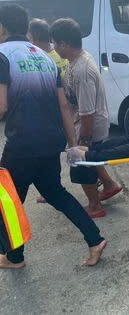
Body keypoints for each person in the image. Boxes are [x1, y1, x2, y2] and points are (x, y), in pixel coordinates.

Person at [0, 4, 106, 268]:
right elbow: (64, 107)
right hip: (50, 142)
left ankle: (15, 257)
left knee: (8, 201)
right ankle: (95, 240)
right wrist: (72, 145)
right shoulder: (44, 57)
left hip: (22, 145)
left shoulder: (2, 55)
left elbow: (1, 106)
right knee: (55, 193)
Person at [50, 18, 122, 218]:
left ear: (64, 44)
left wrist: (81, 141)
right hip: (84, 125)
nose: (54, 47)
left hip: (88, 127)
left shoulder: (82, 70)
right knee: (93, 159)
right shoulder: (75, 61)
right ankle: (109, 184)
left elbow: (88, 112)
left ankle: (95, 206)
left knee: (81, 166)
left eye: (55, 43)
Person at [28, 18, 69, 203]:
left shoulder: (43, 60)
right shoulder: (58, 55)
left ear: (34, 37)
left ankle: (51, 189)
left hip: (56, 113)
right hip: (67, 109)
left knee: (57, 154)